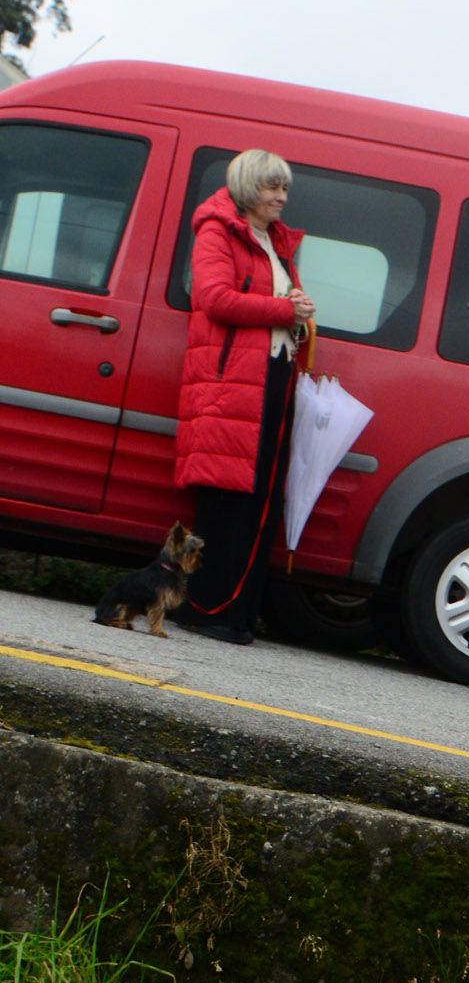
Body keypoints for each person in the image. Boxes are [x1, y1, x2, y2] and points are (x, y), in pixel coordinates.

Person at [174, 149, 315, 645]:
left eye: (284, 189)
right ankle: (205, 610)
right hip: (232, 380)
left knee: (259, 497)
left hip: (269, 376)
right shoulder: (217, 230)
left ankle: (236, 612)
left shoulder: (272, 241)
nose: (280, 198)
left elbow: (272, 305)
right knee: (227, 498)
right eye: (271, 188)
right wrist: (283, 308)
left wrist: (297, 309)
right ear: (246, 189)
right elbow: (212, 298)